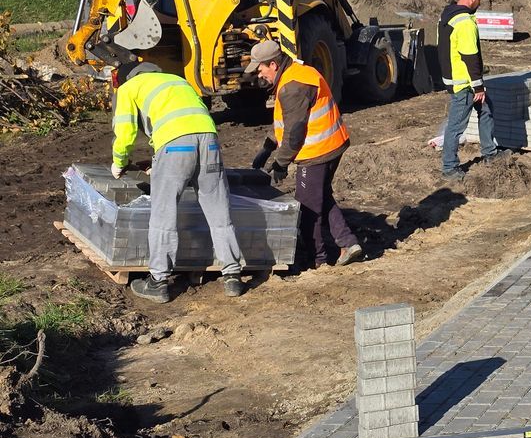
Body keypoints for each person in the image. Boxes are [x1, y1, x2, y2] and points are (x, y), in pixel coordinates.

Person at [110, 61, 245, 303]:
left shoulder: (128, 88)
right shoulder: (177, 80)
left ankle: (158, 282)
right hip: (209, 142)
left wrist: (119, 162)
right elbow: (187, 119)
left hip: (175, 147)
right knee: (219, 211)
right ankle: (233, 275)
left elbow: (126, 133)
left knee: (164, 215)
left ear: (125, 79)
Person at [246, 41, 364, 269]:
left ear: (273, 64)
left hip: (316, 151)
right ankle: (347, 243)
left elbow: (294, 131)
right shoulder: (297, 73)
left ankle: (317, 261)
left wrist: (280, 162)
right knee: (320, 195)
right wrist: (268, 146)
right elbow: (287, 121)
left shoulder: (292, 86)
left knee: (307, 207)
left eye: (260, 68)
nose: (259, 74)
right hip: (331, 144)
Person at [438, 0, 500, 181]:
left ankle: (490, 153)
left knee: (486, 111)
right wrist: (478, 87)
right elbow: (470, 56)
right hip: (464, 83)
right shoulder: (464, 22)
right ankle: (449, 168)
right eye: (478, 1)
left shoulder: (448, 15)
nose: (478, 5)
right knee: (456, 126)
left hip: (457, 79)